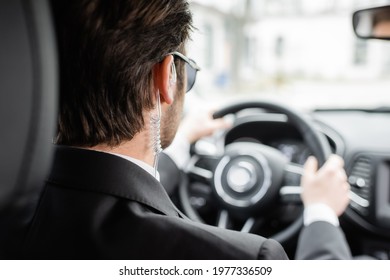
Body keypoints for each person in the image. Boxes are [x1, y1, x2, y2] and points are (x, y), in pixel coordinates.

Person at [23, 0, 351, 259]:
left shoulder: (14, 217)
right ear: (167, 78)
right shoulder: (243, 260)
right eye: (187, 74)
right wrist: (321, 213)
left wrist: (176, 148)